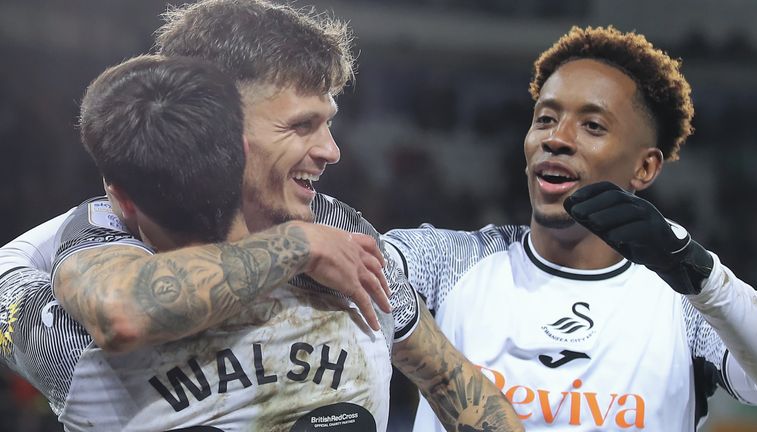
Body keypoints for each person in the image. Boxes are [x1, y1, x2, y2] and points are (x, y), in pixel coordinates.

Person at [0, 0, 522, 430]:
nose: (331, 150)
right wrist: (298, 246)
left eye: (328, 123)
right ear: (221, 123)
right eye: (303, 125)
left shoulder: (340, 230)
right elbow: (120, 310)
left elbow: (449, 382)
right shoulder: (101, 235)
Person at [384, 25, 757, 431]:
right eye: (546, 119)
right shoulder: (451, 263)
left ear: (645, 167)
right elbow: (349, 256)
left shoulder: (684, 305)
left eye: (593, 126)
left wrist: (700, 273)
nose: (557, 139)